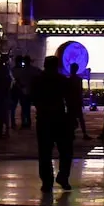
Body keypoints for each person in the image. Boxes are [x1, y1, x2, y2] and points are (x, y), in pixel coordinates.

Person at [33, 55, 75, 190]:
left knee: (45, 151)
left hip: (44, 118)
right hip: (60, 118)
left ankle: (47, 181)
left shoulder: (38, 80)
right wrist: (72, 118)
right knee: (65, 150)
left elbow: (33, 98)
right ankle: (63, 176)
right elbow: (70, 101)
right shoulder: (62, 80)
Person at [70, 63, 90, 139]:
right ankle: (84, 134)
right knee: (80, 118)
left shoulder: (69, 80)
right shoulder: (78, 80)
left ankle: (72, 133)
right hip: (76, 101)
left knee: (71, 118)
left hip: (71, 101)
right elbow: (79, 91)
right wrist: (81, 101)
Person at [14, 55, 34, 130]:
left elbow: (16, 80)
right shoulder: (33, 69)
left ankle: (24, 122)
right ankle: (27, 122)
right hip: (28, 91)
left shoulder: (21, 70)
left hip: (23, 91)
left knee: (24, 108)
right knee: (27, 108)